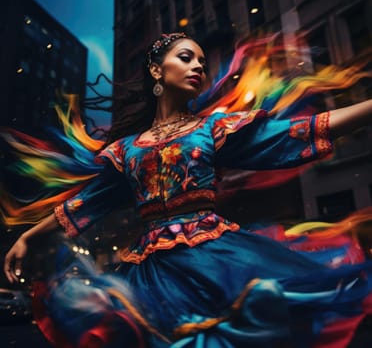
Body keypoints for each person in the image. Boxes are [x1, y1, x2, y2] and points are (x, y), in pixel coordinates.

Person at [3, 32, 372, 348]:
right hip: (149, 275)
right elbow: (86, 203)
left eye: (201, 61)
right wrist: (29, 237)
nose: (199, 66)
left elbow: (297, 131)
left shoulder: (213, 130)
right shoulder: (127, 149)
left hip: (214, 260)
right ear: (156, 70)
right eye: (186, 57)